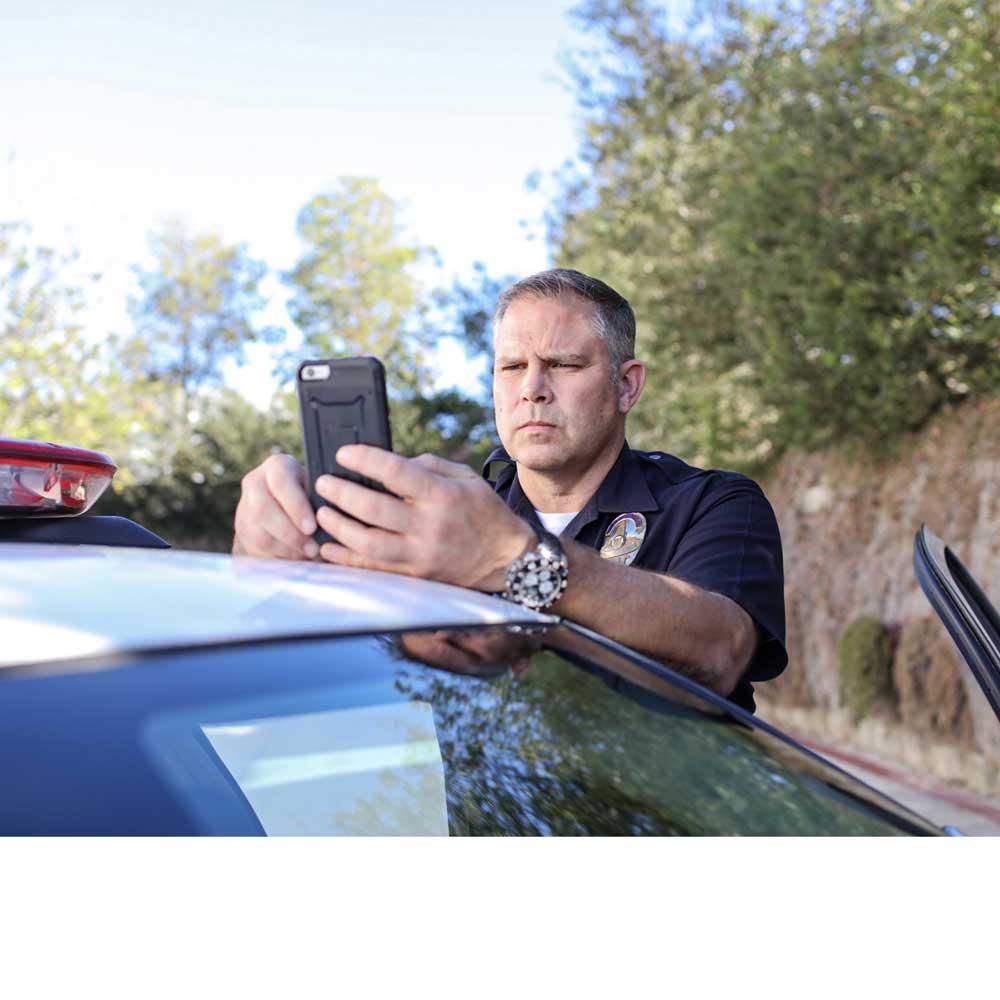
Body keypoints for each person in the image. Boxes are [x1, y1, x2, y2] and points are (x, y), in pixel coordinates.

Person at [233, 268, 786, 712]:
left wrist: (512, 561)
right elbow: (290, 669)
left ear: (626, 385)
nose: (532, 389)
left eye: (564, 365)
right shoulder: (445, 516)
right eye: (512, 366)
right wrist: (264, 557)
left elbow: (720, 649)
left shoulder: (712, 502)